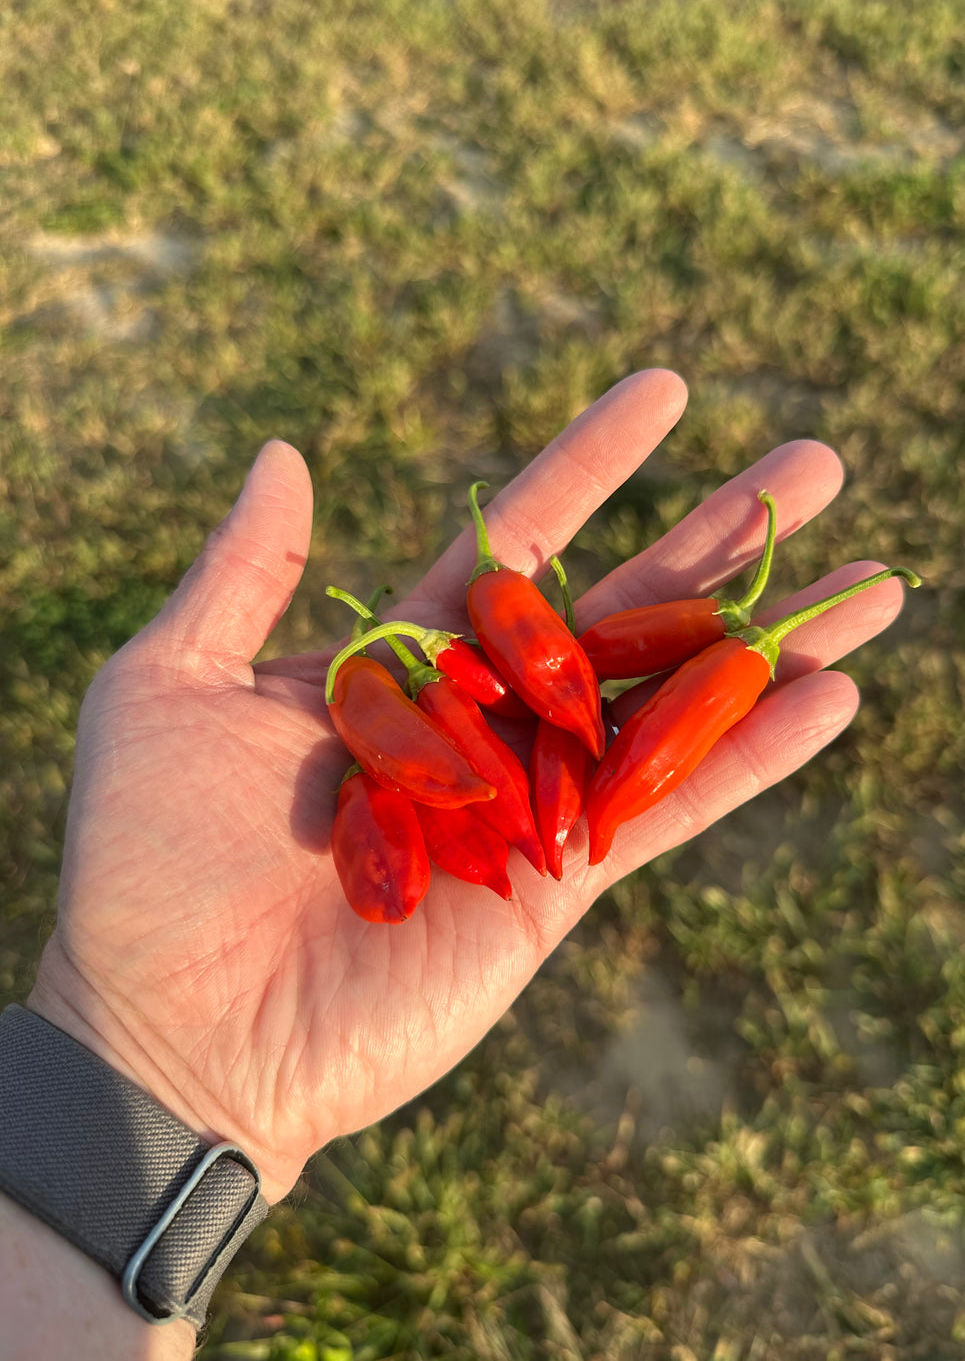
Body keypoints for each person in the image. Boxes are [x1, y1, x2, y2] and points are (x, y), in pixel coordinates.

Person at [0, 369, 908, 1360]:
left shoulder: (521, 693)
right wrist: (148, 1059)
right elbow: (537, 706)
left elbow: (575, 684)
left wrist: (143, 1073)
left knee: (591, 729)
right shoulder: (397, 733)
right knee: (566, 732)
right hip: (422, 735)